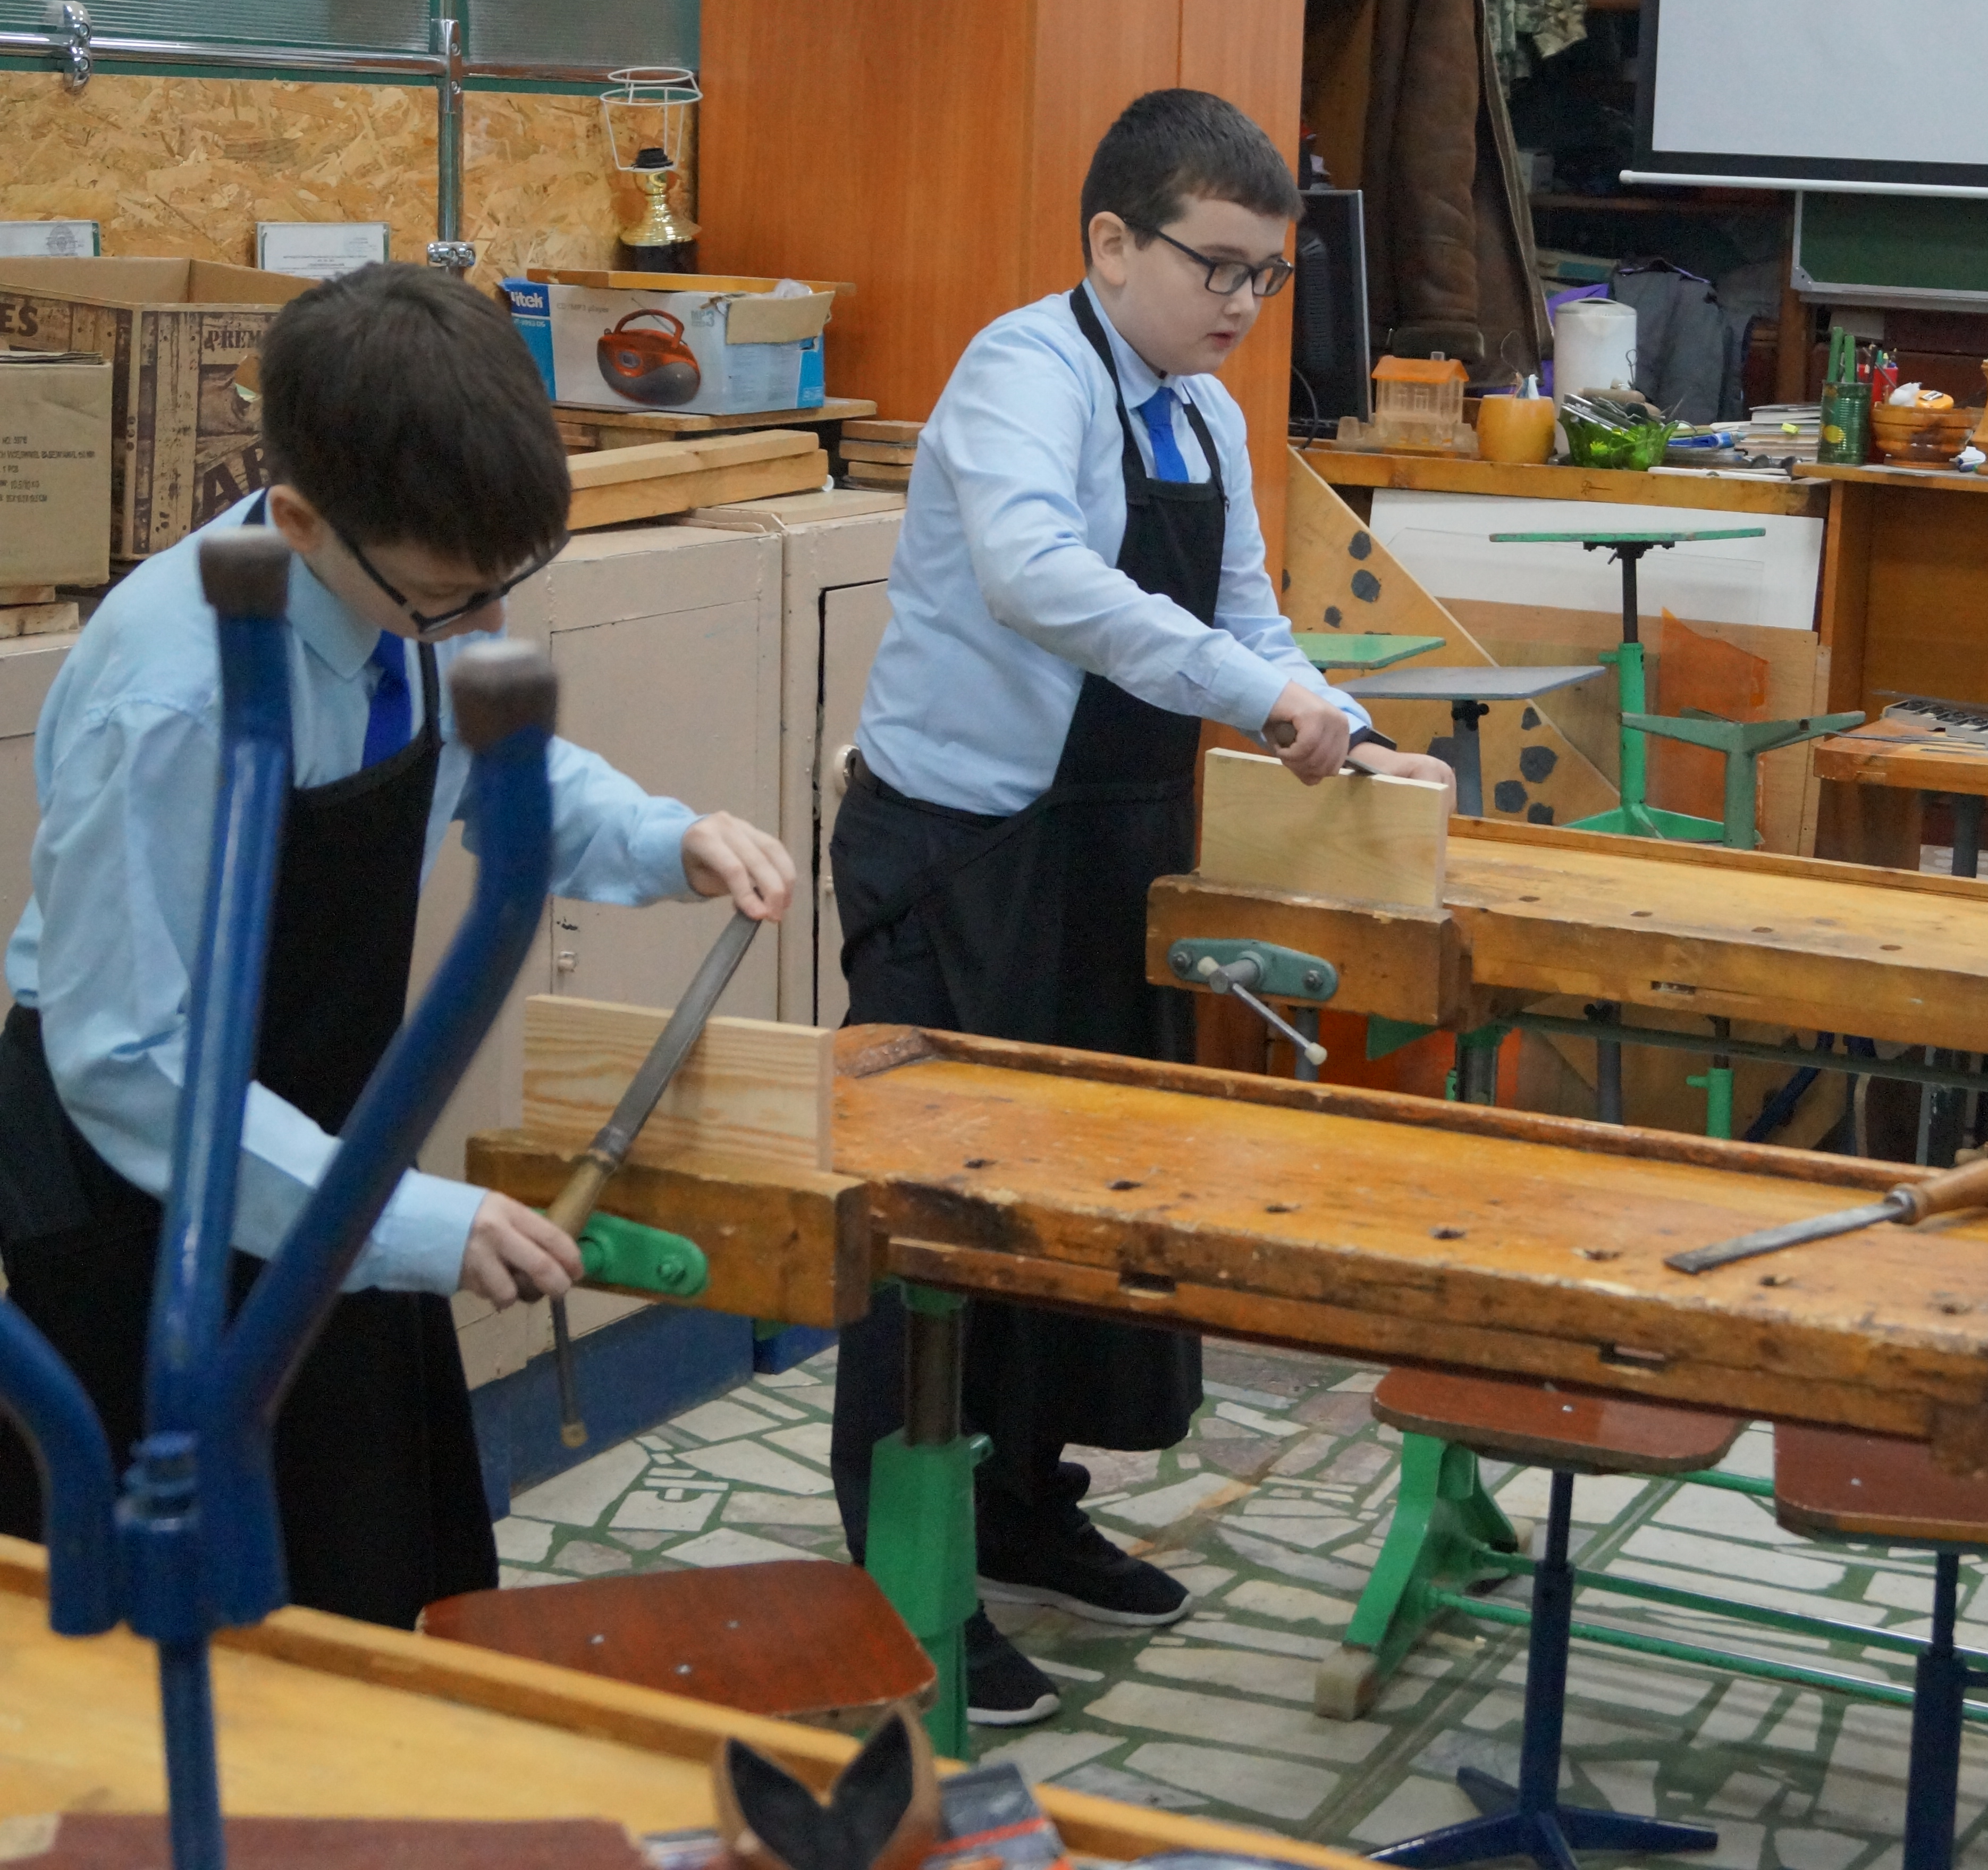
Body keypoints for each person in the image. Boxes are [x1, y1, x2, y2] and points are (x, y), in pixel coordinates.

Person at [0, 263, 794, 1629]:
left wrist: (669, 840)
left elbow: (502, 766)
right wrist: (417, 1222)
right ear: (301, 517)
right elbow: (127, 1060)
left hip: (326, 1148)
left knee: (373, 1570)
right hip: (139, 1190)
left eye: (504, 586)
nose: (482, 625)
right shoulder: (176, 695)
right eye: (448, 596)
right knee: (204, 1618)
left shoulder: (401, 593)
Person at [821, 88, 1450, 1726]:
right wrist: (1259, 695)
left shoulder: (1209, 416)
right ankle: (904, 1577)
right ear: (1112, 242)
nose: (1242, 304)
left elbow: (1250, 617)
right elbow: (1038, 576)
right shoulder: (1023, 372)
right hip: (964, 853)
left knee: (1075, 1211)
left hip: (1120, 850)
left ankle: (1023, 1504)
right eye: (1214, 267)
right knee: (933, 1223)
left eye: (1267, 276)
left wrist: (1346, 726)